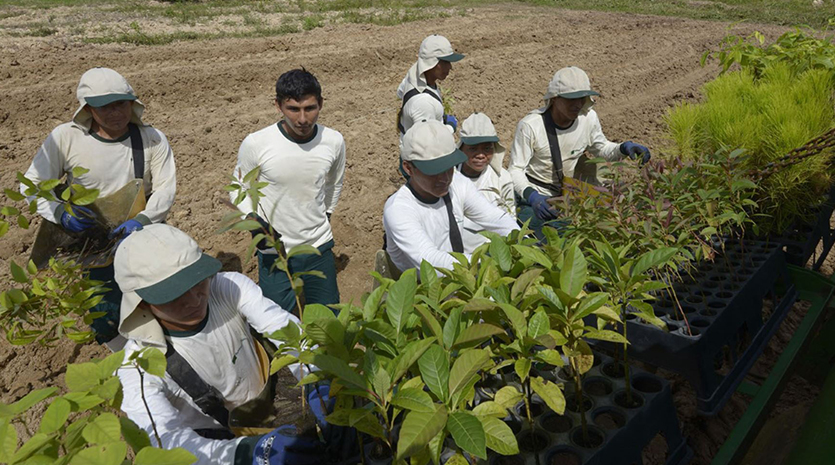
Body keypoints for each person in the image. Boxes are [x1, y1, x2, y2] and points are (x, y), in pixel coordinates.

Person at [114, 224, 347, 465]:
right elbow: (165, 438)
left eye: (197, 282)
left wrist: (318, 378)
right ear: (141, 303)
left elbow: (285, 330)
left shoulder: (227, 288)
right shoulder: (139, 366)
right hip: (212, 441)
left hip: (267, 396)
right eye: (174, 296)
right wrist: (244, 453)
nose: (194, 299)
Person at [21, 67, 176, 350]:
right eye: (104, 107)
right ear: (89, 110)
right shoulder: (65, 138)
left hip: (141, 232)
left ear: (132, 104)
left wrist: (142, 219)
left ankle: (166, 350)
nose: (115, 112)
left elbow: (165, 188)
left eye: (121, 104)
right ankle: (124, 358)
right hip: (90, 241)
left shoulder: (151, 139)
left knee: (161, 294)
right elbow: (31, 185)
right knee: (104, 306)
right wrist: (60, 214)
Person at [232, 69, 346, 315]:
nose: (303, 119)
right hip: (275, 252)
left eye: (310, 108)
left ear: (321, 104)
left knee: (328, 320)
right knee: (277, 323)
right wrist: (253, 222)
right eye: (293, 109)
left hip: (318, 247)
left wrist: (326, 213)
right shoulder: (257, 143)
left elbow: (333, 182)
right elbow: (239, 188)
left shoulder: (334, 141)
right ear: (278, 106)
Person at [508, 66, 650, 236]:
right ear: (554, 98)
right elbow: (515, 170)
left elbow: (601, 148)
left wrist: (623, 148)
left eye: (581, 98)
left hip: (568, 193)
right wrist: (532, 197)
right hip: (536, 195)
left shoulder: (587, 119)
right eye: (571, 99)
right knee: (541, 240)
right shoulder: (531, 126)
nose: (577, 104)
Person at [384, 120, 519, 273]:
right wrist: (490, 262)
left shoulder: (458, 183)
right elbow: (431, 262)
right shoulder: (399, 209)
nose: (445, 178)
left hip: (459, 273)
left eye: (449, 168)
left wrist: (522, 242)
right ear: (408, 168)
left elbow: (495, 218)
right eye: (434, 171)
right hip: (420, 286)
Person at [395, 34, 464, 176]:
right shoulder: (423, 103)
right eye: (445, 62)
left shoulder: (415, 73)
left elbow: (400, 91)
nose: (450, 67)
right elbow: (427, 145)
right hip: (421, 166)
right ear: (431, 63)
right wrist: (450, 127)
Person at [456, 112, 517, 252]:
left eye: (487, 148)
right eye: (473, 148)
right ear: (461, 149)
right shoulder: (450, 178)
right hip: (458, 253)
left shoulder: (502, 178)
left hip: (491, 252)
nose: (481, 155)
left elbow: (509, 217)